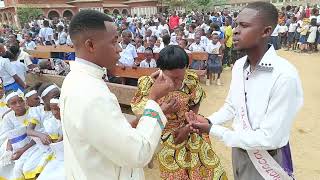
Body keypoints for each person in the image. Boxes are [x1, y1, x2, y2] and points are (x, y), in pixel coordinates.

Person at [187, 2, 303, 179]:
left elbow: (269, 138)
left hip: (266, 158)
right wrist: (207, 120)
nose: (235, 30)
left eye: (244, 26)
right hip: (239, 150)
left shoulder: (284, 76)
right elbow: (232, 107)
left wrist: (212, 129)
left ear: (266, 31)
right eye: (236, 24)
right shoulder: (240, 66)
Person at [60, 10, 175, 179]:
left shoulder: (76, 79)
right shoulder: (91, 93)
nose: (119, 49)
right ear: (90, 45)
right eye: (114, 42)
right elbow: (138, 153)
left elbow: (106, 134)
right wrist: (153, 99)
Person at [131, 45, 227, 180]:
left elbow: (195, 104)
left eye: (180, 77)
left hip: (186, 130)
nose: (177, 82)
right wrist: (162, 110)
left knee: (205, 168)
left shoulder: (190, 80)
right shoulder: (148, 84)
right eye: (172, 78)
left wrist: (187, 126)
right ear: (161, 71)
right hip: (158, 133)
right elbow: (140, 119)